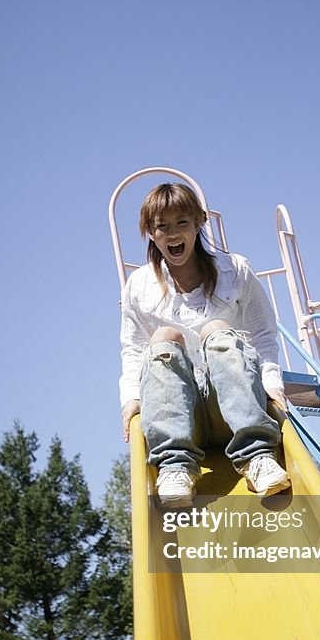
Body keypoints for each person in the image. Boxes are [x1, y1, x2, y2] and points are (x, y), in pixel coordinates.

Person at [119, 182, 291, 507]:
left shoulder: (235, 270)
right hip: (182, 416)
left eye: (182, 223)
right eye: (162, 226)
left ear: (199, 222)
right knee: (164, 338)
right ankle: (176, 467)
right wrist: (131, 398)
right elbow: (133, 349)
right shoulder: (139, 286)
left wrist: (271, 382)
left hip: (235, 409)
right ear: (150, 233)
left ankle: (256, 457)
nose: (172, 234)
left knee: (218, 328)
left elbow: (263, 333)